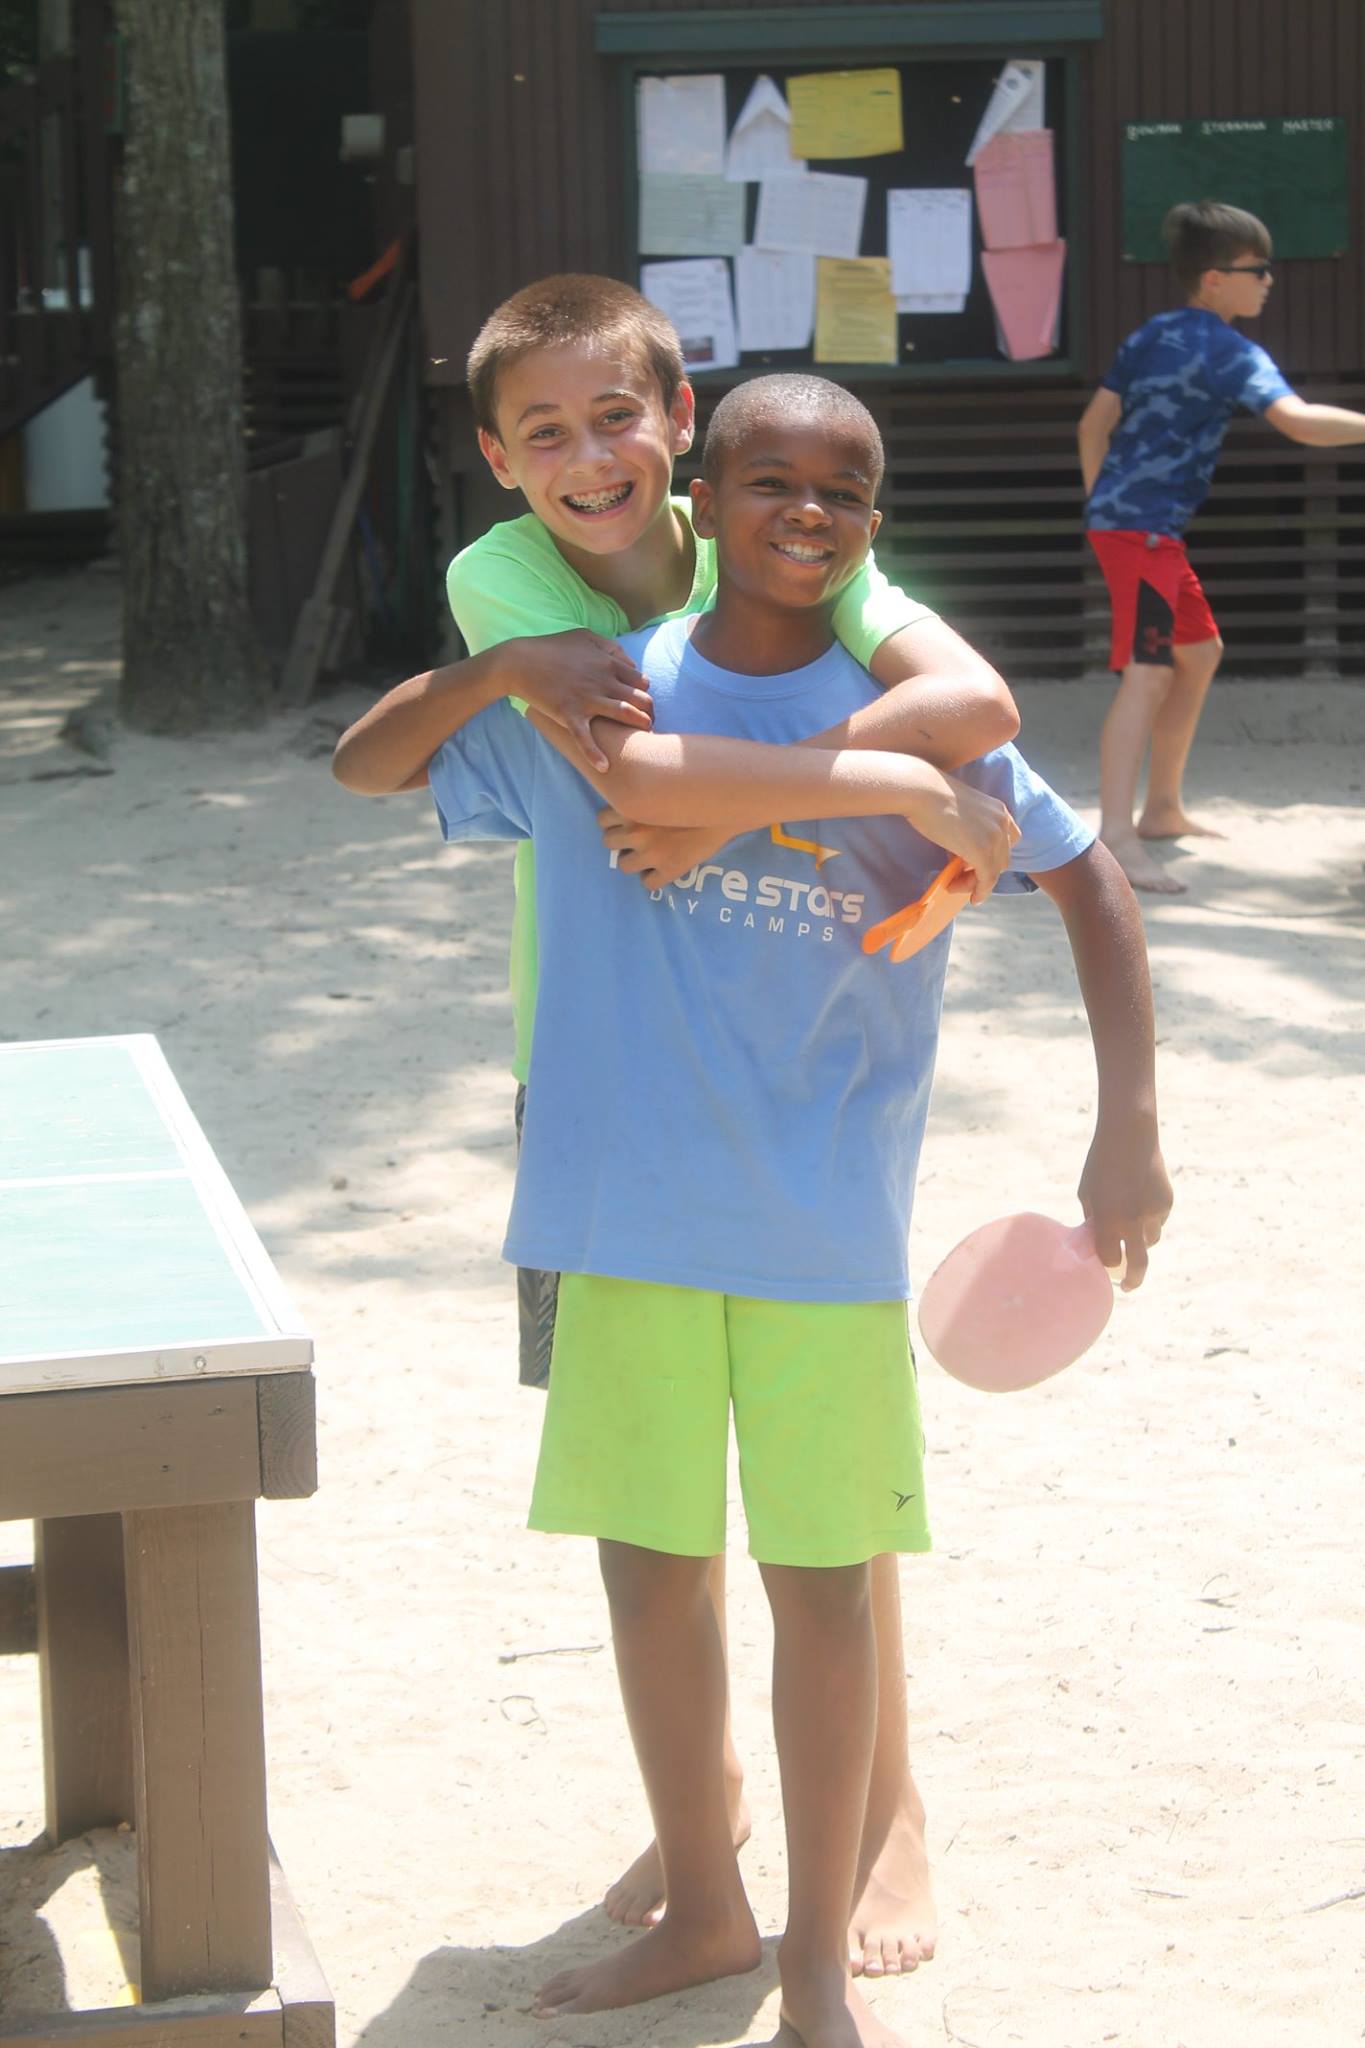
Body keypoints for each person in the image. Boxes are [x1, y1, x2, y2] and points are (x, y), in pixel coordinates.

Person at [414, 374, 1173, 2044]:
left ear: (873, 522)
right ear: (706, 487)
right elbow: (602, 781)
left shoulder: (908, 685)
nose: (808, 513)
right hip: (618, 1196)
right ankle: (705, 1893)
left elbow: (1073, 864)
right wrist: (881, 798)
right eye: (772, 483)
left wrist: (1129, 1121)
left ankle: (821, 1938)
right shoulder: (599, 672)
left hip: (826, 1227)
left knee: (829, 1575)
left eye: (844, 493)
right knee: (651, 1563)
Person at [333, 273, 1020, 1975]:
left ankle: (887, 1813)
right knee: (654, 1515)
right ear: (500, 458)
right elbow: (549, 760)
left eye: (618, 416)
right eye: (546, 431)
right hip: (601, 1098)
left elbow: (975, 752)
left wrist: (810, 789)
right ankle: (706, 1817)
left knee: (826, 1527)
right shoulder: (518, 593)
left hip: (794, 1111)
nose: (589, 455)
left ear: (685, 428)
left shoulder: (796, 537)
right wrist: (529, 686)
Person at [1078, 198, 1365, 894]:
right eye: (1255, 269)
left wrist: (1099, 506)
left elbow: (1094, 424)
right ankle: (1113, 834)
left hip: (1139, 530)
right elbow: (1295, 423)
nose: (1268, 280)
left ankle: (1163, 809)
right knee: (1146, 675)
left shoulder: (1150, 334)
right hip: (1140, 533)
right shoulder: (1231, 352)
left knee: (1198, 652)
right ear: (1212, 279)